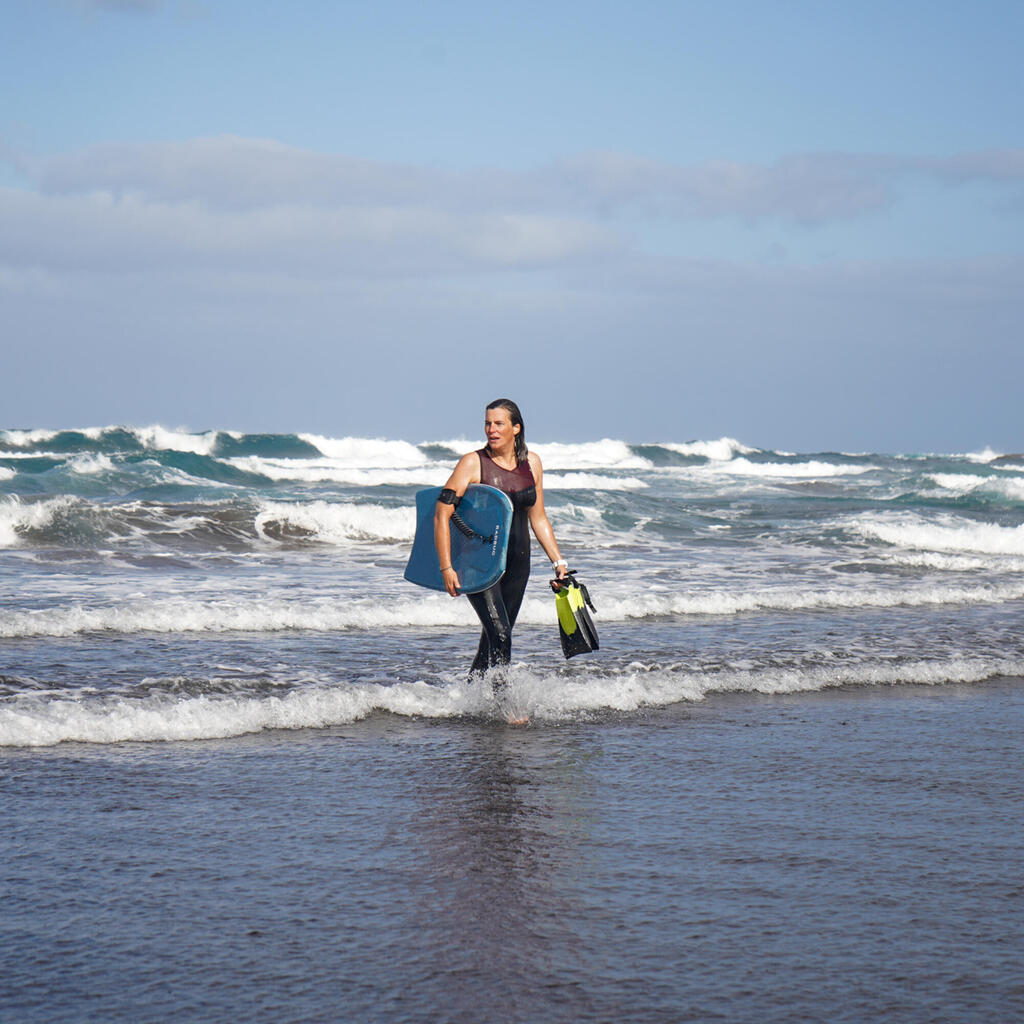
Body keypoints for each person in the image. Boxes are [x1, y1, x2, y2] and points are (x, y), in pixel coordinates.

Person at [435, 399, 569, 682]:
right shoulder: (473, 463)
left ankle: (470, 697)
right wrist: (447, 567)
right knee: (501, 634)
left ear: (516, 428)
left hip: (518, 565)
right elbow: (441, 513)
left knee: (493, 638)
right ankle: (501, 705)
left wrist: (558, 561)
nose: (491, 430)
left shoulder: (531, 463)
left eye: (498, 424)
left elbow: (539, 517)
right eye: (487, 423)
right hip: (479, 563)